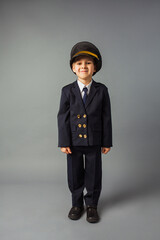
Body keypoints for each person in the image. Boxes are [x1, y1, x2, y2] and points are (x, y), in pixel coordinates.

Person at [57, 41, 112, 223]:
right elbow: (62, 118)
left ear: (94, 67)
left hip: (94, 140)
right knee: (74, 173)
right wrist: (64, 142)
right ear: (73, 67)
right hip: (72, 141)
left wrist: (106, 141)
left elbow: (106, 117)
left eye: (88, 63)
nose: (83, 67)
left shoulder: (101, 90)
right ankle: (76, 204)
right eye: (79, 63)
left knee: (94, 174)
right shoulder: (67, 91)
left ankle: (92, 206)